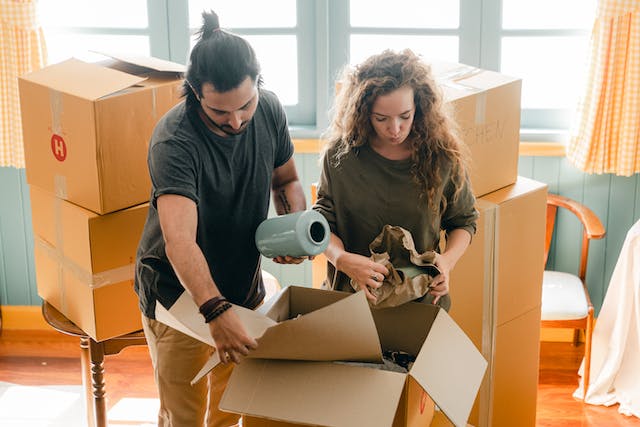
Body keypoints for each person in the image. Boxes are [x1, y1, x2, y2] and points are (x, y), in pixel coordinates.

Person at [134, 10, 308, 427]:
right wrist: (215, 312)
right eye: (220, 113)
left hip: (239, 285)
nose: (236, 121)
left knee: (229, 411)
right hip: (179, 293)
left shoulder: (268, 110)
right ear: (195, 94)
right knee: (185, 418)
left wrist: (294, 229)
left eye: (244, 105)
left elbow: (286, 180)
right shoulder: (175, 140)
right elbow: (180, 242)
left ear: (258, 85)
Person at [313, 49, 478, 309]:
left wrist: (446, 262)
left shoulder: (442, 158)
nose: (395, 129)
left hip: (421, 303)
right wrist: (341, 258)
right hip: (351, 303)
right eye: (381, 119)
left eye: (405, 116)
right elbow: (322, 223)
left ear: (420, 108)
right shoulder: (340, 157)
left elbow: (464, 221)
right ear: (364, 113)